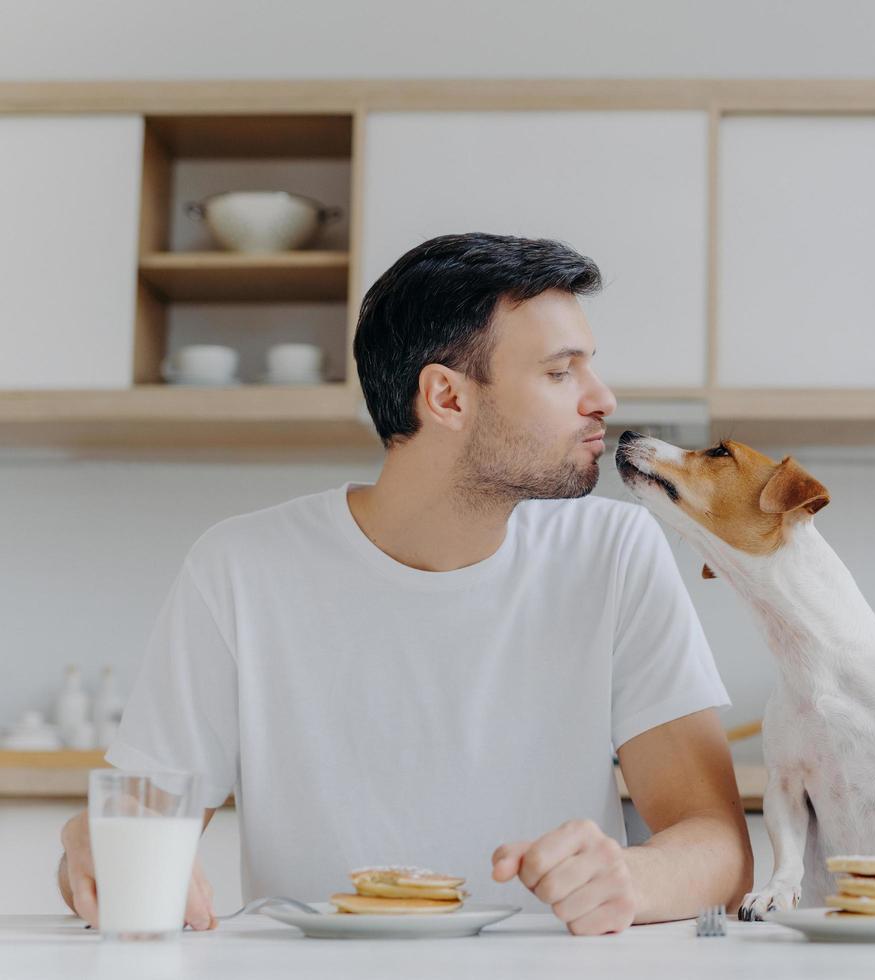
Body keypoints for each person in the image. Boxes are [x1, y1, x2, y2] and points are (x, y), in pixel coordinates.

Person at [57, 233, 752, 936]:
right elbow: (138, 815)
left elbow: (719, 846)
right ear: (445, 396)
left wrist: (633, 878)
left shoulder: (613, 551)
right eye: (560, 373)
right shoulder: (241, 568)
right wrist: (91, 839)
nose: (602, 399)